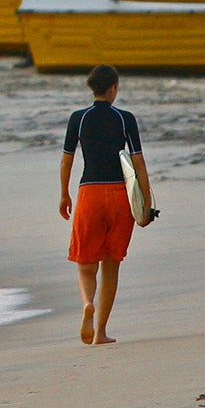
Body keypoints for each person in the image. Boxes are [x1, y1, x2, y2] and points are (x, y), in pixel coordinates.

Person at [59, 63, 152, 344]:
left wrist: (64, 194)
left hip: (90, 193)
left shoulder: (79, 118)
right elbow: (138, 162)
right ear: (114, 88)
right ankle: (100, 332)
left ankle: (88, 302)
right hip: (120, 195)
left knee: (86, 264)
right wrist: (145, 203)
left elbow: (67, 159)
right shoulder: (125, 118)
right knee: (111, 265)